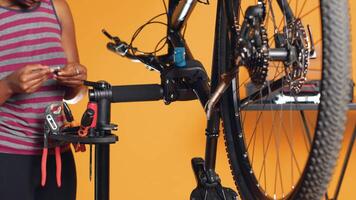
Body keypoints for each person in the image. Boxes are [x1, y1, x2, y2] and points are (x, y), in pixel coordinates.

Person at [0, 0, 86, 199]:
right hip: (7, 157)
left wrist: (75, 81)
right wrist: (8, 86)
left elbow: (75, 94)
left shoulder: (57, 8)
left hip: (58, 157)